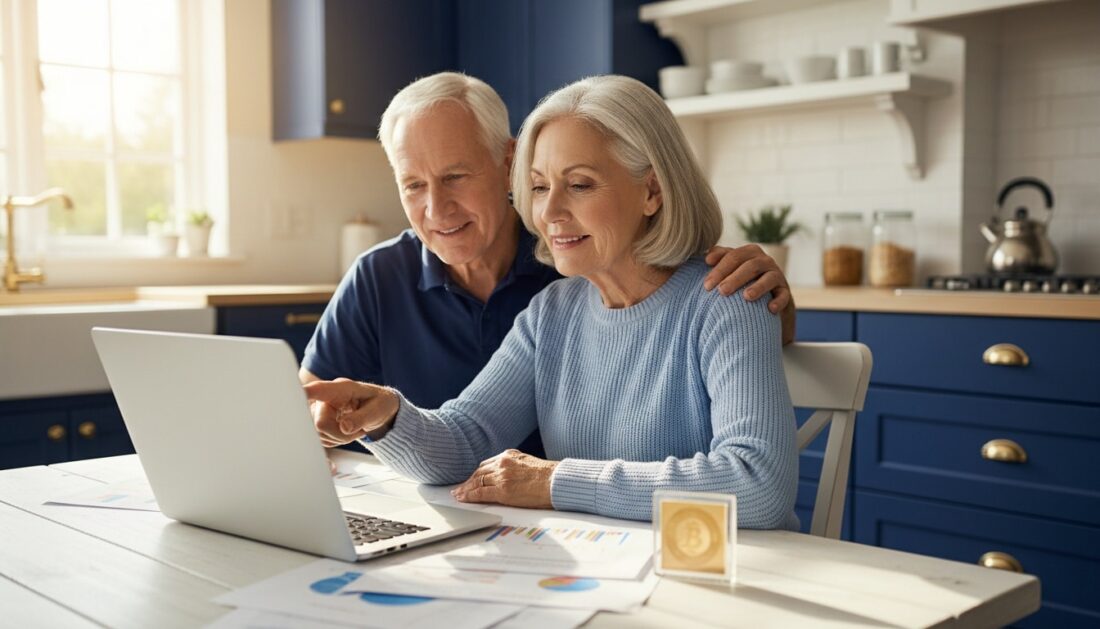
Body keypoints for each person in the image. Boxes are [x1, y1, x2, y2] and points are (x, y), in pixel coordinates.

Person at [305, 75, 797, 529]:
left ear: (652, 191)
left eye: (579, 184)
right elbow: (465, 440)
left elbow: (759, 485)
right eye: (539, 187)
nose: (549, 212)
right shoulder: (553, 310)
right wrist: (388, 414)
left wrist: (553, 481)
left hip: (708, 577)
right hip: (599, 567)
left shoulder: (727, 297)